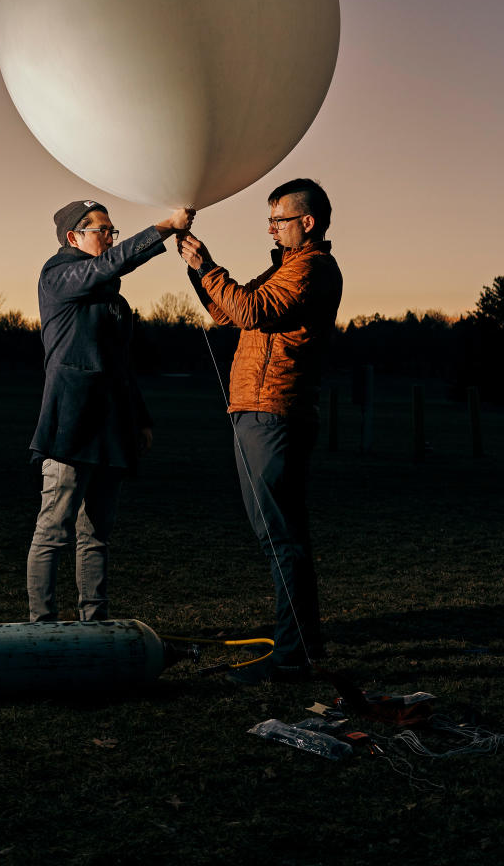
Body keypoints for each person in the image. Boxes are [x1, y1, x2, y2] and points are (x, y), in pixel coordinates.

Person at [179, 178, 342, 683]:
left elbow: (252, 309)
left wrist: (209, 266)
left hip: (273, 410)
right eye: (270, 219)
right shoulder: (286, 267)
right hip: (260, 409)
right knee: (283, 532)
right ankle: (304, 644)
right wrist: (195, 269)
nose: (271, 228)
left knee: (278, 534)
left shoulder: (311, 267)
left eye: (279, 219)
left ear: (307, 222)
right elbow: (230, 309)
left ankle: (291, 656)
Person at [27, 198, 195, 622]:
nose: (109, 237)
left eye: (112, 231)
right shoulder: (59, 274)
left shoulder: (112, 300)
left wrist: (140, 418)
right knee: (53, 531)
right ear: (73, 237)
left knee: (96, 535)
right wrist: (165, 227)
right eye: (102, 230)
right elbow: (109, 265)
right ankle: (41, 626)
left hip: (112, 427)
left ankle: (93, 625)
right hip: (71, 425)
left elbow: (122, 364)